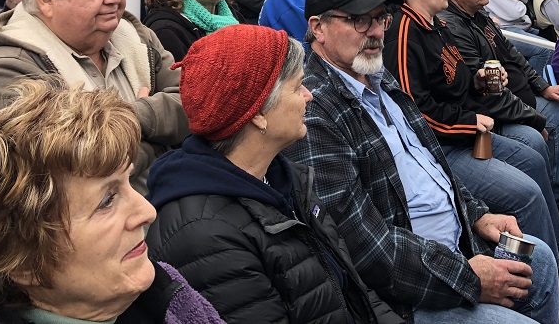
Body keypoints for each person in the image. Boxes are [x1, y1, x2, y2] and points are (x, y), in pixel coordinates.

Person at [286, 0, 559, 324]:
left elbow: (433, 167)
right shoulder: (314, 109)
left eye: (381, 18)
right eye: (358, 20)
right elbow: (365, 248)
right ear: (318, 27)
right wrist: (469, 278)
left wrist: (478, 215)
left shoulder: (379, 80)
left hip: (456, 247)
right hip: (404, 295)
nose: (375, 32)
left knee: (538, 258)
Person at [145, 25, 402, 324]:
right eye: (297, 87)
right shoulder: (204, 236)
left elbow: (354, 291)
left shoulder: (284, 177)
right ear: (257, 113)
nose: (309, 96)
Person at [0, 80, 225, 324]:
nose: (147, 212)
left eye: (127, 181)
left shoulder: (165, 291)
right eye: (107, 201)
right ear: (24, 263)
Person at [0, 0, 189, 193]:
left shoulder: (135, 36)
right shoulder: (10, 71)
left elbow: (194, 101)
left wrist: (135, 114)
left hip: (160, 209)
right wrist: (159, 140)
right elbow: (67, 179)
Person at [383, 0, 559, 262]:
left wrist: (478, 80)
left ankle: (557, 250)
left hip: (465, 133)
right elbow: (413, 110)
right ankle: (539, 275)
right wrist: (470, 121)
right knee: (526, 194)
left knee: (533, 158)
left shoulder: (435, 23)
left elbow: (457, 79)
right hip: (441, 149)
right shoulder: (403, 32)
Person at [439, 0, 559, 215]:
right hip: (497, 115)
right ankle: (551, 210)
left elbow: (511, 53)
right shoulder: (453, 26)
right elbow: (489, 92)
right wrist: (534, 119)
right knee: (533, 139)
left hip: (520, 103)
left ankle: (556, 194)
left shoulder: (478, 14)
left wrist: (543, 87)